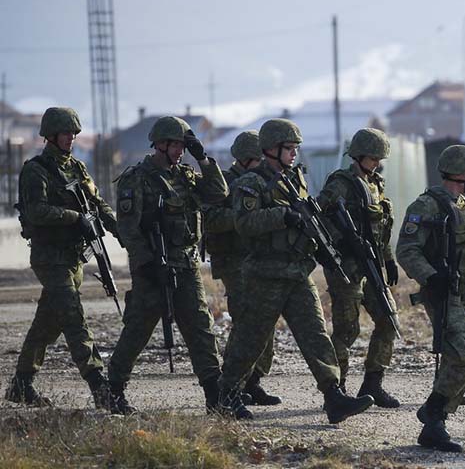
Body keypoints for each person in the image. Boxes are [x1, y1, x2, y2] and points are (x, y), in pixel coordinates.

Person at [216, 118, 374, 423]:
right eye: (288, 148)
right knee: (251, 338)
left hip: (297, 272)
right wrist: (283, 216)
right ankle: (227, 395)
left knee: (316, 336)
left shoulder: (294, 179)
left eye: (295, 148)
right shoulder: (252, 182)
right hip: (264, 273)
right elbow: (244, 224)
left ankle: (333, 396)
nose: (293, 154)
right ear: (271, 149)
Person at [107, 116, 227, 415]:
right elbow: (128, 228)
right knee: (138, 330)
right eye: (175, 145)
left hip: (185, 265)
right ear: (159, 144)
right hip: (152, 268)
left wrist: (203, 158)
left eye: (183, 146)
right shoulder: (137, 178)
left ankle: (216, 396)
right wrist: (147, 264)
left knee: (200, 327)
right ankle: (113, 390)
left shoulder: (185, 175)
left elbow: (218, 193)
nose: (179, 151)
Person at [5, 107, 116, 410]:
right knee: (73, 317)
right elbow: (37, 211)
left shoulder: (77, 168)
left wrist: (118, 228)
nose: (72, 138)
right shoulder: (35, 170)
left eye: (74, 133)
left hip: (73, 259)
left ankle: (21, 385)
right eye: (66, 133)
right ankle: (99, 387)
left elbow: (97, 202)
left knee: (47, 324)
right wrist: (74, 217)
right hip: (48, 257)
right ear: (51, 136)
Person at [396, 144, 465, 453]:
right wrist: (431, 276)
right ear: (460, 174)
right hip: (444, 294)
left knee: (464, 358)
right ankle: (434, 412)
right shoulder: (426, 206)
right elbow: (406, 249)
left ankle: (434, 423)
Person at [316, 128, 400, 407]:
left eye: (379, 158)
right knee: (347, 331)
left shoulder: (376, 184)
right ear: (359, 155)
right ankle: (336, 390)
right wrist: (344, 242)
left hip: (372, 263)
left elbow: (379, 230)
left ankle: (373, 383)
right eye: (373, 157)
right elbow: (320, 220)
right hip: (347, 268)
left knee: (389, 321)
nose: (377, 162)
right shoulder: (340, 183)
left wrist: (388, 259)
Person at [203, 130, 279, 406]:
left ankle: (253, 380)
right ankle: (232, 383)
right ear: (248, 159)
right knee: (247, 323)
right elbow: (210, 219)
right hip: (234, 262)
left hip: (258, 259)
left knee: (265, 323)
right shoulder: (223, 183)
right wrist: (243, 216)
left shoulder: (264, 181)